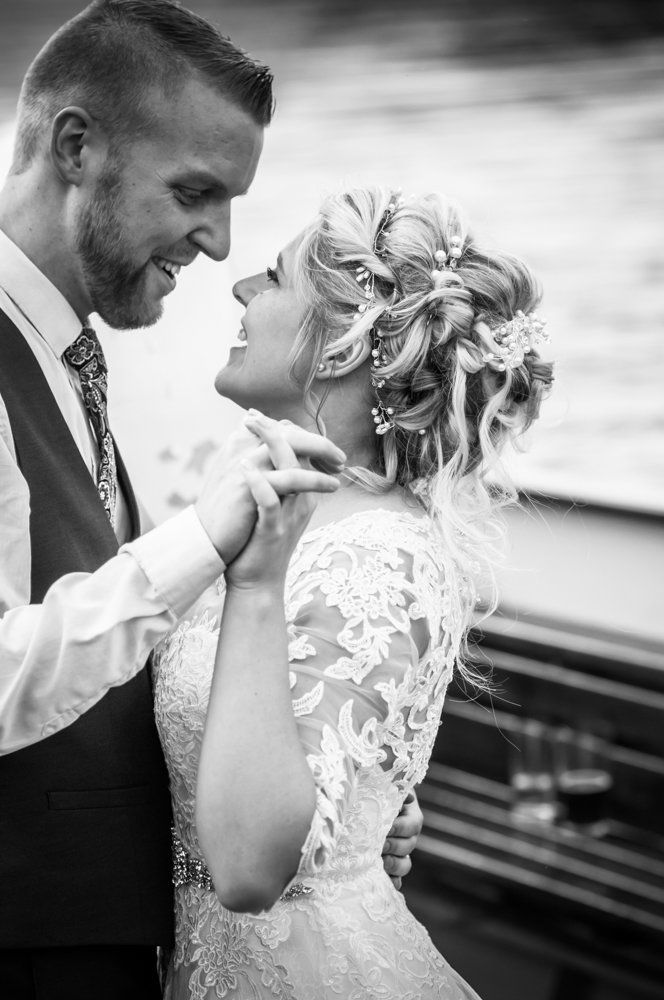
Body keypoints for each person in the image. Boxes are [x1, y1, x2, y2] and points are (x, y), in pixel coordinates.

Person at [0, 2, 349, 998]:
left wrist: (336, 802)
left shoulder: (69, 348)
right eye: (195, 192)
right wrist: (200, 535)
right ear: (77, 148)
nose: (219, 242)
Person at [153, 186, 554, 998]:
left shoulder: (379, 556)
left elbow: (251, 867)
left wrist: (358, 828)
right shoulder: (270, 501)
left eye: (273, 277)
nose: (242, 288)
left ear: (340, 347)